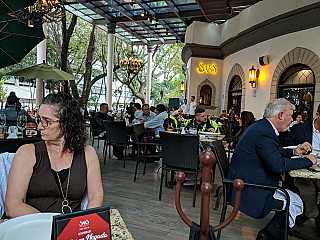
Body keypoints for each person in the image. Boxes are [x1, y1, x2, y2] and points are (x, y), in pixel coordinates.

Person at [227, 98, 316, 240]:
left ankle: (274, 232)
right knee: (296, 202)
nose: (292, 119)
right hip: (250, 188)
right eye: (291, 115)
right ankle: (270, 235)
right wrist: (307, 161)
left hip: (246, 180)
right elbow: (278, 166)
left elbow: (272, 153)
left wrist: (293, 152)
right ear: (280, 115)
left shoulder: (262, 127)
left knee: (293, 193)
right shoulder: (265, 132)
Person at [5, 92, 103, 217]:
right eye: (39, 120)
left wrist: (83, 224)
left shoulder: (88, 154)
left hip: (70, 228)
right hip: (31, 224)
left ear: (66, 122)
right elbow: (13, 206)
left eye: (47, 121)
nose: (39, 126)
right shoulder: (27, 153)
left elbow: (96, 196)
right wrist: (53, 226)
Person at [284, 104, 320, 232]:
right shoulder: (300, 129)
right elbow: (286, 149)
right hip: (301, 171)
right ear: (317, 115)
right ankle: (312, 214)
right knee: (308, 190)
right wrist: (299, 149)